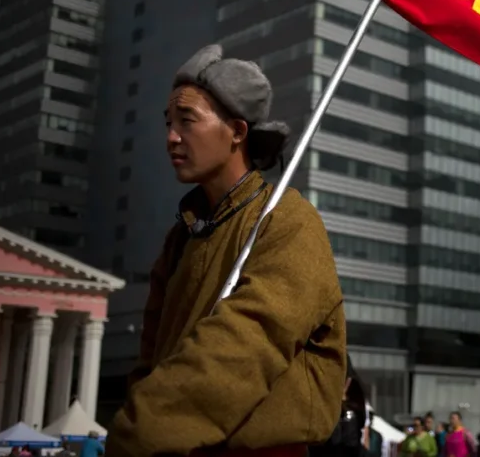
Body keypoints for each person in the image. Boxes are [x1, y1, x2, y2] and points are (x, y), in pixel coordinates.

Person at [107, 45, 347, 457]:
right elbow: (150, 359)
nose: (171, 137)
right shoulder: (180, 237)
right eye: (168, 122)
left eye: (187, 121)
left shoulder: (288, 219)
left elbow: (252, 338)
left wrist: (143, 430)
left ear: (237, 131)